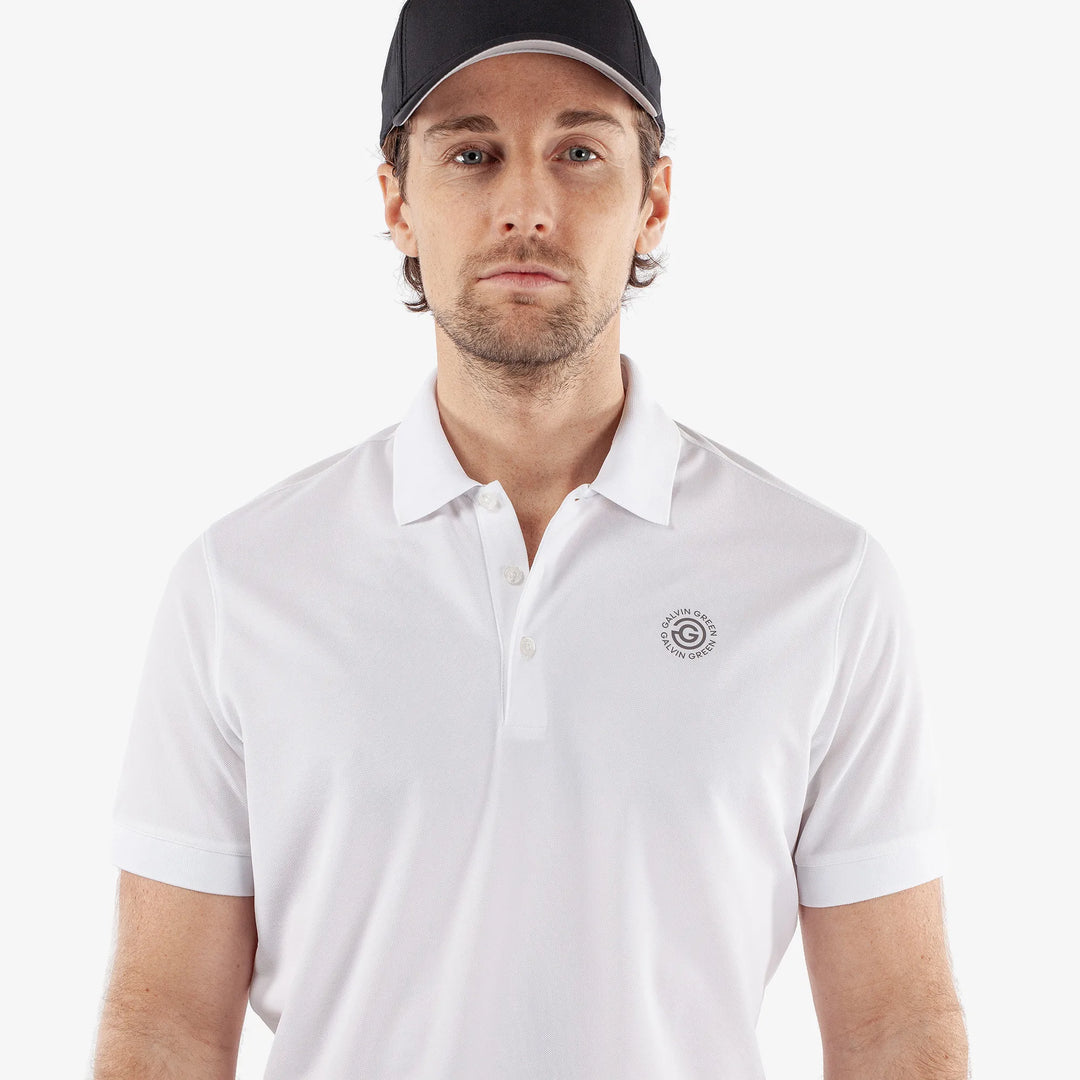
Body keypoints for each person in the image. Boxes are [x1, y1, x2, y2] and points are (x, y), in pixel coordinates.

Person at [93, 1, 968, 1077]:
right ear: (396, 200)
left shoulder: (822, 585)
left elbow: (893, 1031)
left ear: (653, 201)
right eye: (472, 153)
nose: (526, 208)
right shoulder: (242, 585)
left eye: (579, 151)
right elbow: (167, 1029)